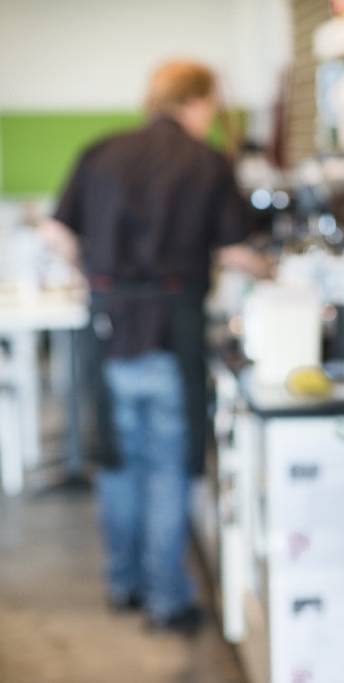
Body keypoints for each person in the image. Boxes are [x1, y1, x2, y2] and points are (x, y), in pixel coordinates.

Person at [42, 60, 269, 634]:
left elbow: (55, 231)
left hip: (110, 329)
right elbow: (234, 249)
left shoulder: (101, 152)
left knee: (119, 462)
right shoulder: (207, 161)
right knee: (167, 467)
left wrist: (90, 269)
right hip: (172, 330)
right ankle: (166, 600)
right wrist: (270, 271)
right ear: (195, 101)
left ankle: (123, 585)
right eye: (211, 103)